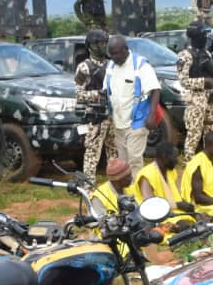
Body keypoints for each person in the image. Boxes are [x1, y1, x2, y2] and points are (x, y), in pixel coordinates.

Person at [105, 36, 161, 176]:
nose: (114, 57)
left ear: (125, 50)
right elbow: (106, 91)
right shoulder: (111, 66)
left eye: (116, 53)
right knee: (123, 161)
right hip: (118, 122)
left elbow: (155, 90)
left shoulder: (141, 65)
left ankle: (137, 192)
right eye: (111, 54)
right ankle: (126, 192)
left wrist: (152, 115)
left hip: (137, 121)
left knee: (134, 159)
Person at [177, 21, 213, 161]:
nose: (206, 38)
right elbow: (183, 81)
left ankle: (209, 162)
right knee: (194, 134)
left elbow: (212, 75)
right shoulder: (185, 55)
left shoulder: (207, 53)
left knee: (211, 133)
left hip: (210, 99)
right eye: (204, 35)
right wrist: (204, 82)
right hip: (196, 99)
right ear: (196, 36)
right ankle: (189, 163)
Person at [74, 29, 114, 181]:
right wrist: (97, 95)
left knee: (114, 152)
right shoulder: (84, 67)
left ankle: (115, 184)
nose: (103, 46)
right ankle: (88, 186)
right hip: (96, 117)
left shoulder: (111, 64)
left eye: (105, 43)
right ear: (91, 46)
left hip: (113, 115)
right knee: (92, 154)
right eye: (99, 43)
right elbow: (79, 93)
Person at [135, 142, 195, 229]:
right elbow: (150, 207)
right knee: (188, 228)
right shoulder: (147, 175)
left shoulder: (171, 171)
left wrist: (189, 207)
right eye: (175, 157)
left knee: (203, 220)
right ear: (164, 157)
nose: (177, 160)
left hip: (176, 212)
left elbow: (177, 196)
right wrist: (177, 205)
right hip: (159, 217)